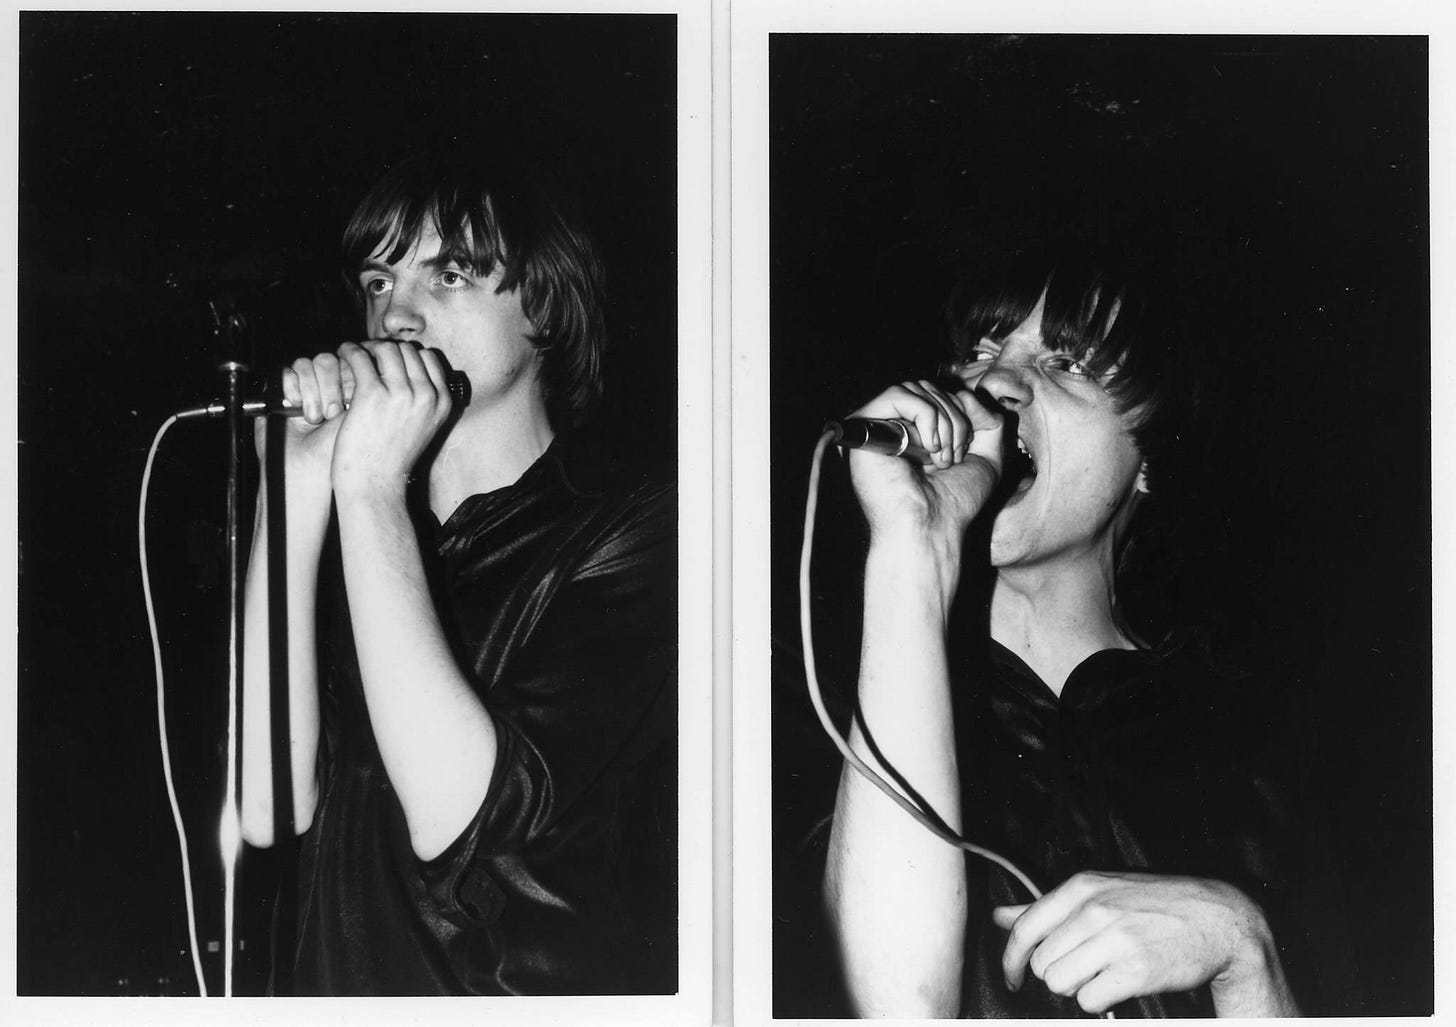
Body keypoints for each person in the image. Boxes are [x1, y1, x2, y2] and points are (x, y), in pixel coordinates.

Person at [236, 151, 677, 996]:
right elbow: (267, 804)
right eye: (378, 281)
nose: (394, 315)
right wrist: (288, 492)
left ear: (545, 306)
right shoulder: (364, 530)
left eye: (449, 275)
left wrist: (369, 488)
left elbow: (462, 816)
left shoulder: (641, 528)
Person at [822, 253, 1301, 1017]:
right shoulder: (834, 696)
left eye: (1068, 363)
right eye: (981, 351)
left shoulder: (1259, 734)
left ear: (1151, 458)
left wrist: (1247, 955)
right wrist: (915, 548)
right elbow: (893, 1006)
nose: (994, 383)